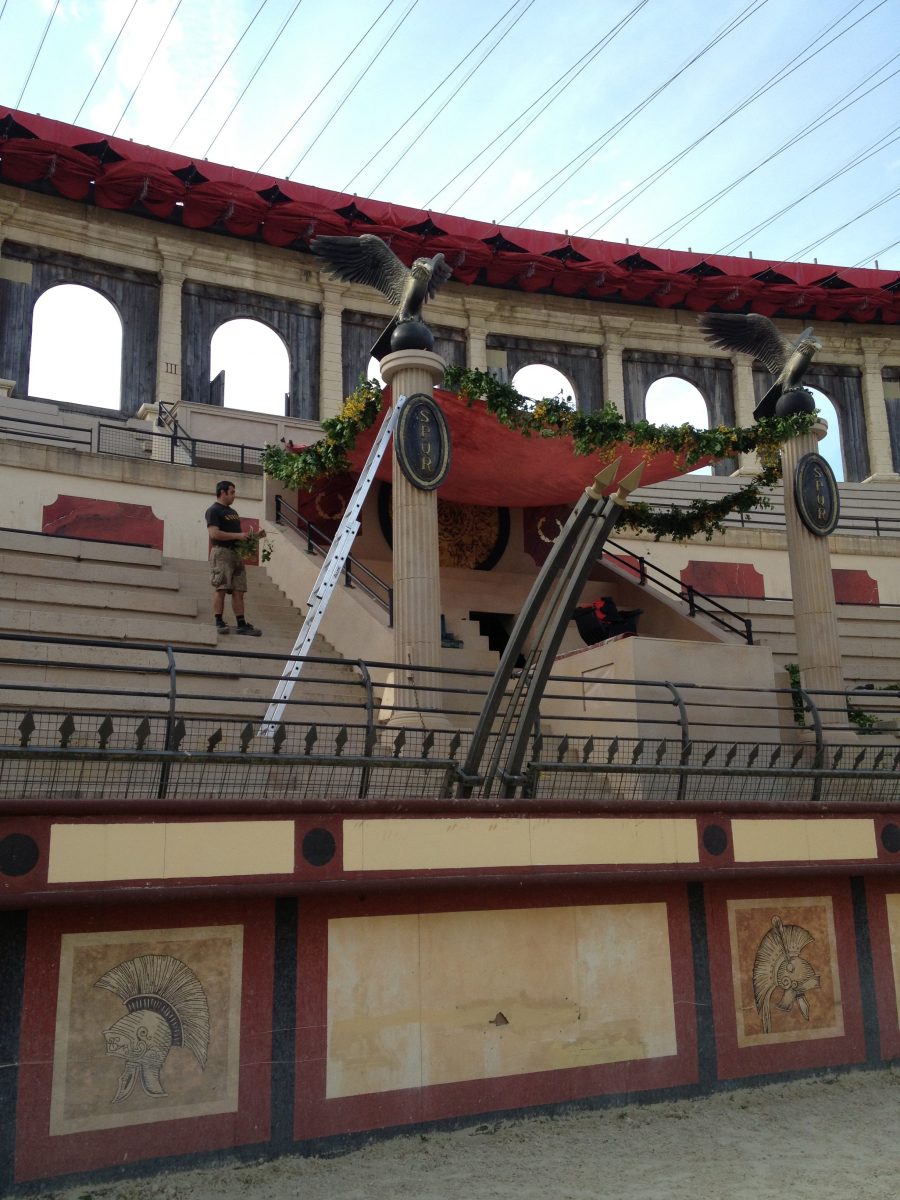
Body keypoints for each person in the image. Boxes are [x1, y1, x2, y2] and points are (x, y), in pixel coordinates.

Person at [205, 480, 266, 636]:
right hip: (222, 553)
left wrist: (253, 537)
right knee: (221, 588)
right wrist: (239, 535)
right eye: (232, 492)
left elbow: (238, 537)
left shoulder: (233, 512)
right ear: (223, 492)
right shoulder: (213, 510)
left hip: (236, 554)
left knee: (239, 590)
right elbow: (214, 534)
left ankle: (241, 624)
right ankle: (218, 621)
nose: (234, 495)